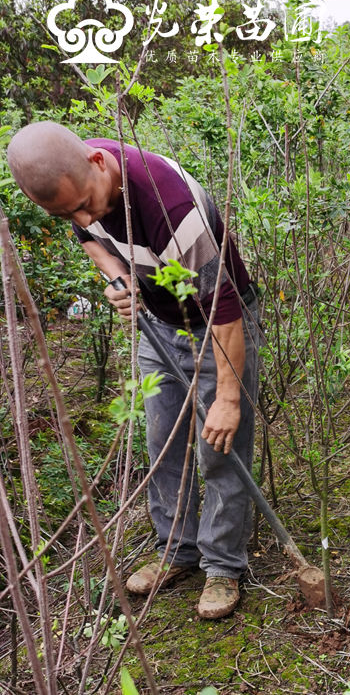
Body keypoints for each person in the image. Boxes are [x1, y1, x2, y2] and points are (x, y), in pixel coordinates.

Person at [6, 121, 262, 619]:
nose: (82, 216)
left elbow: (224, 311)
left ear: (99, 164)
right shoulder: (75, 181)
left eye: (84, 203)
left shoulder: (170, 204)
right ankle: (177, 549)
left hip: (219, 327)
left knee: (220, 446)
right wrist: (123, 280)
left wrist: (228, 399)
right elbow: (89, 238)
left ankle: (223, 565)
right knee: (162, 440)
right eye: (65, 212)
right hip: (161, 323)